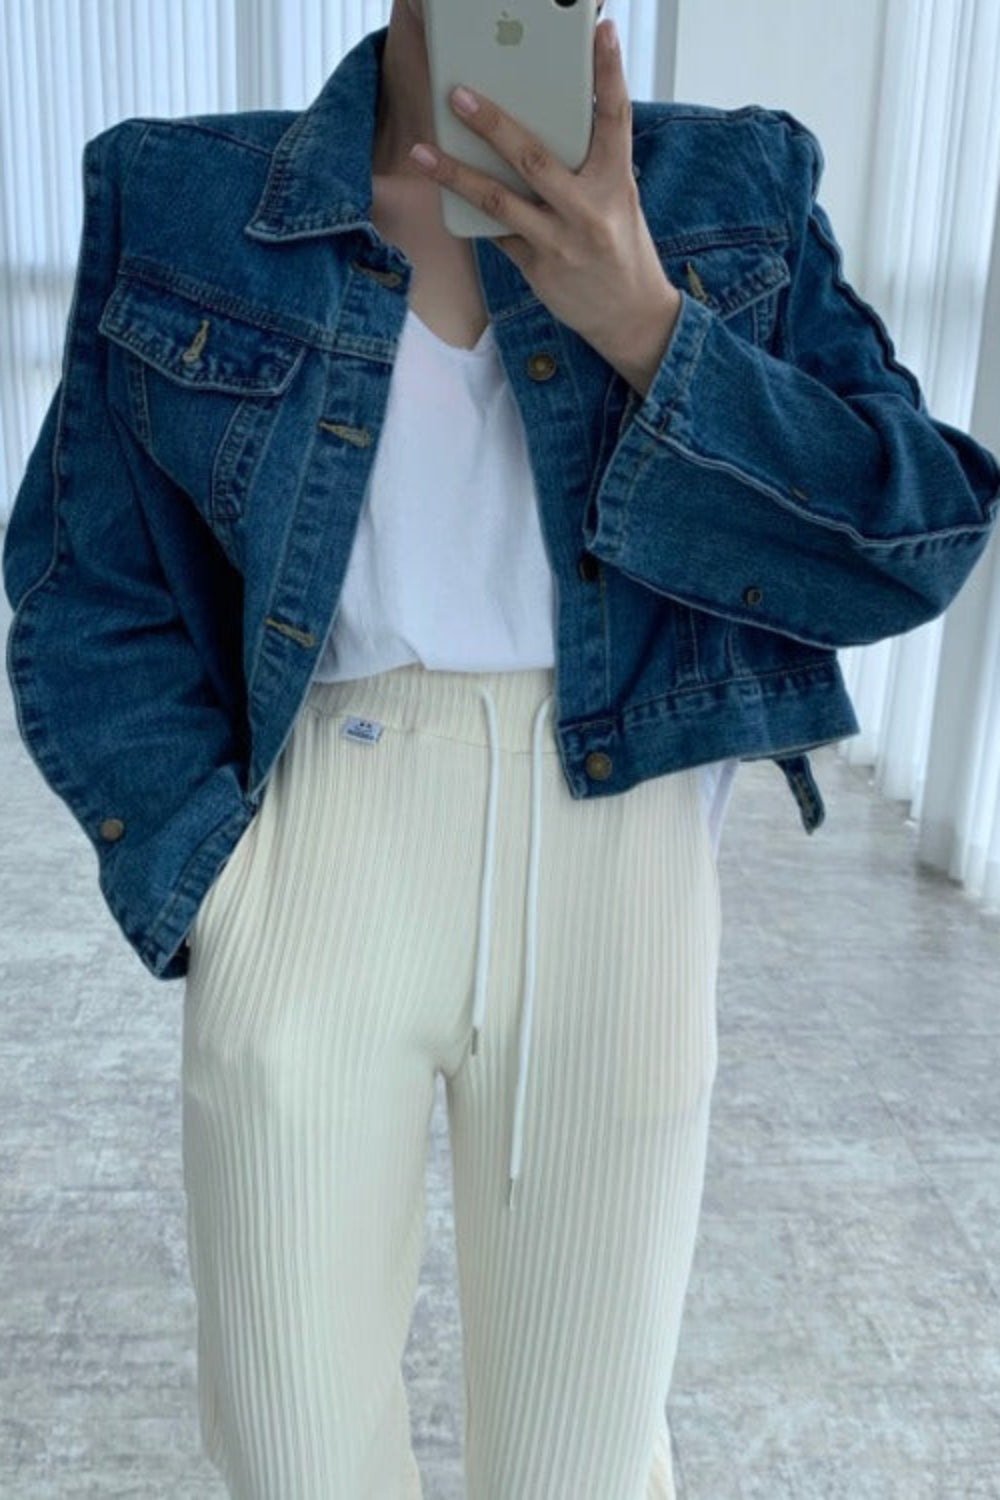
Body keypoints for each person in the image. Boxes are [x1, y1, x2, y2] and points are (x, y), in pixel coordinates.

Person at [3, 1, 998, 1497]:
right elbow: (89, 580)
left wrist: (650, 323)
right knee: (291, 1448)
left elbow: (909, 532)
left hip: (621, 853)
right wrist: (213, 877)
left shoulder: (730, 189)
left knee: (580, 1464)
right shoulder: (183, 191)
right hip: (319, 841)